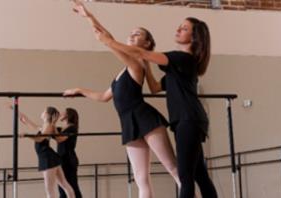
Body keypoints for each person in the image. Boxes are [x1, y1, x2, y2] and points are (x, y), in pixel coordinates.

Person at [64, 1, 180, 198]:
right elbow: (103, 97)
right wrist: (80, 90)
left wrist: (91, 19)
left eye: (138, 34)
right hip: (128, 123)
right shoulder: (124, 70)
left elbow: (108, 40)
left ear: (147, 44)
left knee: (173, 169)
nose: (131, 35)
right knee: (140, 178)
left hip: (145, 118)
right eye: (131, 33)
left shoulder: (137, 64)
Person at [94, 16, 218, 198]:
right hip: (189, 120)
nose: (178, 30)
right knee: (200, 175)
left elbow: (142, 54)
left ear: (194, 37)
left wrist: (110, 42)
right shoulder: (178, 67)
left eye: (183, 28)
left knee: (185, 176)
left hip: (188, 120)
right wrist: (145, 64)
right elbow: (154, 87)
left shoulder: (182, 58)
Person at [15, 106, 75, 198]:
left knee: (50, 190)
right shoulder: (45, 126)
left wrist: (27, 135)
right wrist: (14, 109)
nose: (42, 112)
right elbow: (31, 124)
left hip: (48, 159)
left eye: (44, 111)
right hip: (49, 158)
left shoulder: (49, 126)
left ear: (47, 115)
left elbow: (40, 138)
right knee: (64, 184)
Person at [54, 108, 82, 198]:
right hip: (62, 160)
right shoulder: (63, 128)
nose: (61, 114)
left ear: (68, 115)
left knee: (72, 187)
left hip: (68, 161)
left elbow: (59, 139)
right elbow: (44, 129)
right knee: (63, 188)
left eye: (63, 112)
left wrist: (52, 125)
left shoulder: (72, 128)